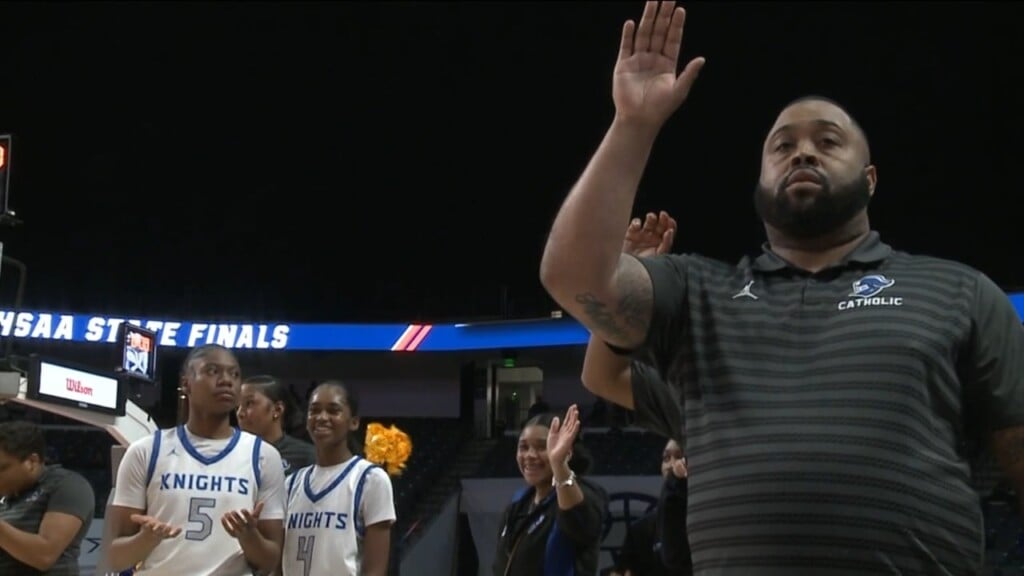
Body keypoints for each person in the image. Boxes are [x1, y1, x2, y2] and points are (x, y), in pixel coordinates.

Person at [539, 1, 1024, 573]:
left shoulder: (960, 292)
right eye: (782, 145)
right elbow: (573, 280)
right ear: (761, 180)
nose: (803, 150)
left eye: (829, 141)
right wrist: (635, 124)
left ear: (870, 181)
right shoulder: (700, 294)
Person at [106, 344, 286, 576]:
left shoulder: (264, 456)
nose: (226, 380)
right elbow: (115, 557)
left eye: (235, 374)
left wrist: (249, 536)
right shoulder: (146, 451)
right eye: (213, 371)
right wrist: (146, 539)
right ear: (186, 383)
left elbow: (270, 561)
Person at [280, 380, 396, 576]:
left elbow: (375, 570)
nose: (322, 417)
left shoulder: (371, 479)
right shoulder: (291, 483)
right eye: (314, 410)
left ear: (354, 422)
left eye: (333, 411)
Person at [494, 405, 608, 576]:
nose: (530, 455)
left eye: (542, 447)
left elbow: (580, 522)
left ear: (568, 452)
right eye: (523, 447)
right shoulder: (518, 503)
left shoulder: (586, 493)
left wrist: (559, 464)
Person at [0, 421, 95, 575]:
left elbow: (44, 555)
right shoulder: (8, 495)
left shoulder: (67, 484)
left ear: (32, 461)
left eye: (2, 468)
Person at [612, 439, 689, 576]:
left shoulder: (708, 519)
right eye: (666, 458)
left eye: (679, 457)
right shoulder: (640, 530)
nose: (671, 465)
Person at [237, 375, 316, 477]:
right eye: (237, 407)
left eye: (249, 403)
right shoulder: (231, 455)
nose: (240, 413)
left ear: (277, 409)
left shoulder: (307, 456)